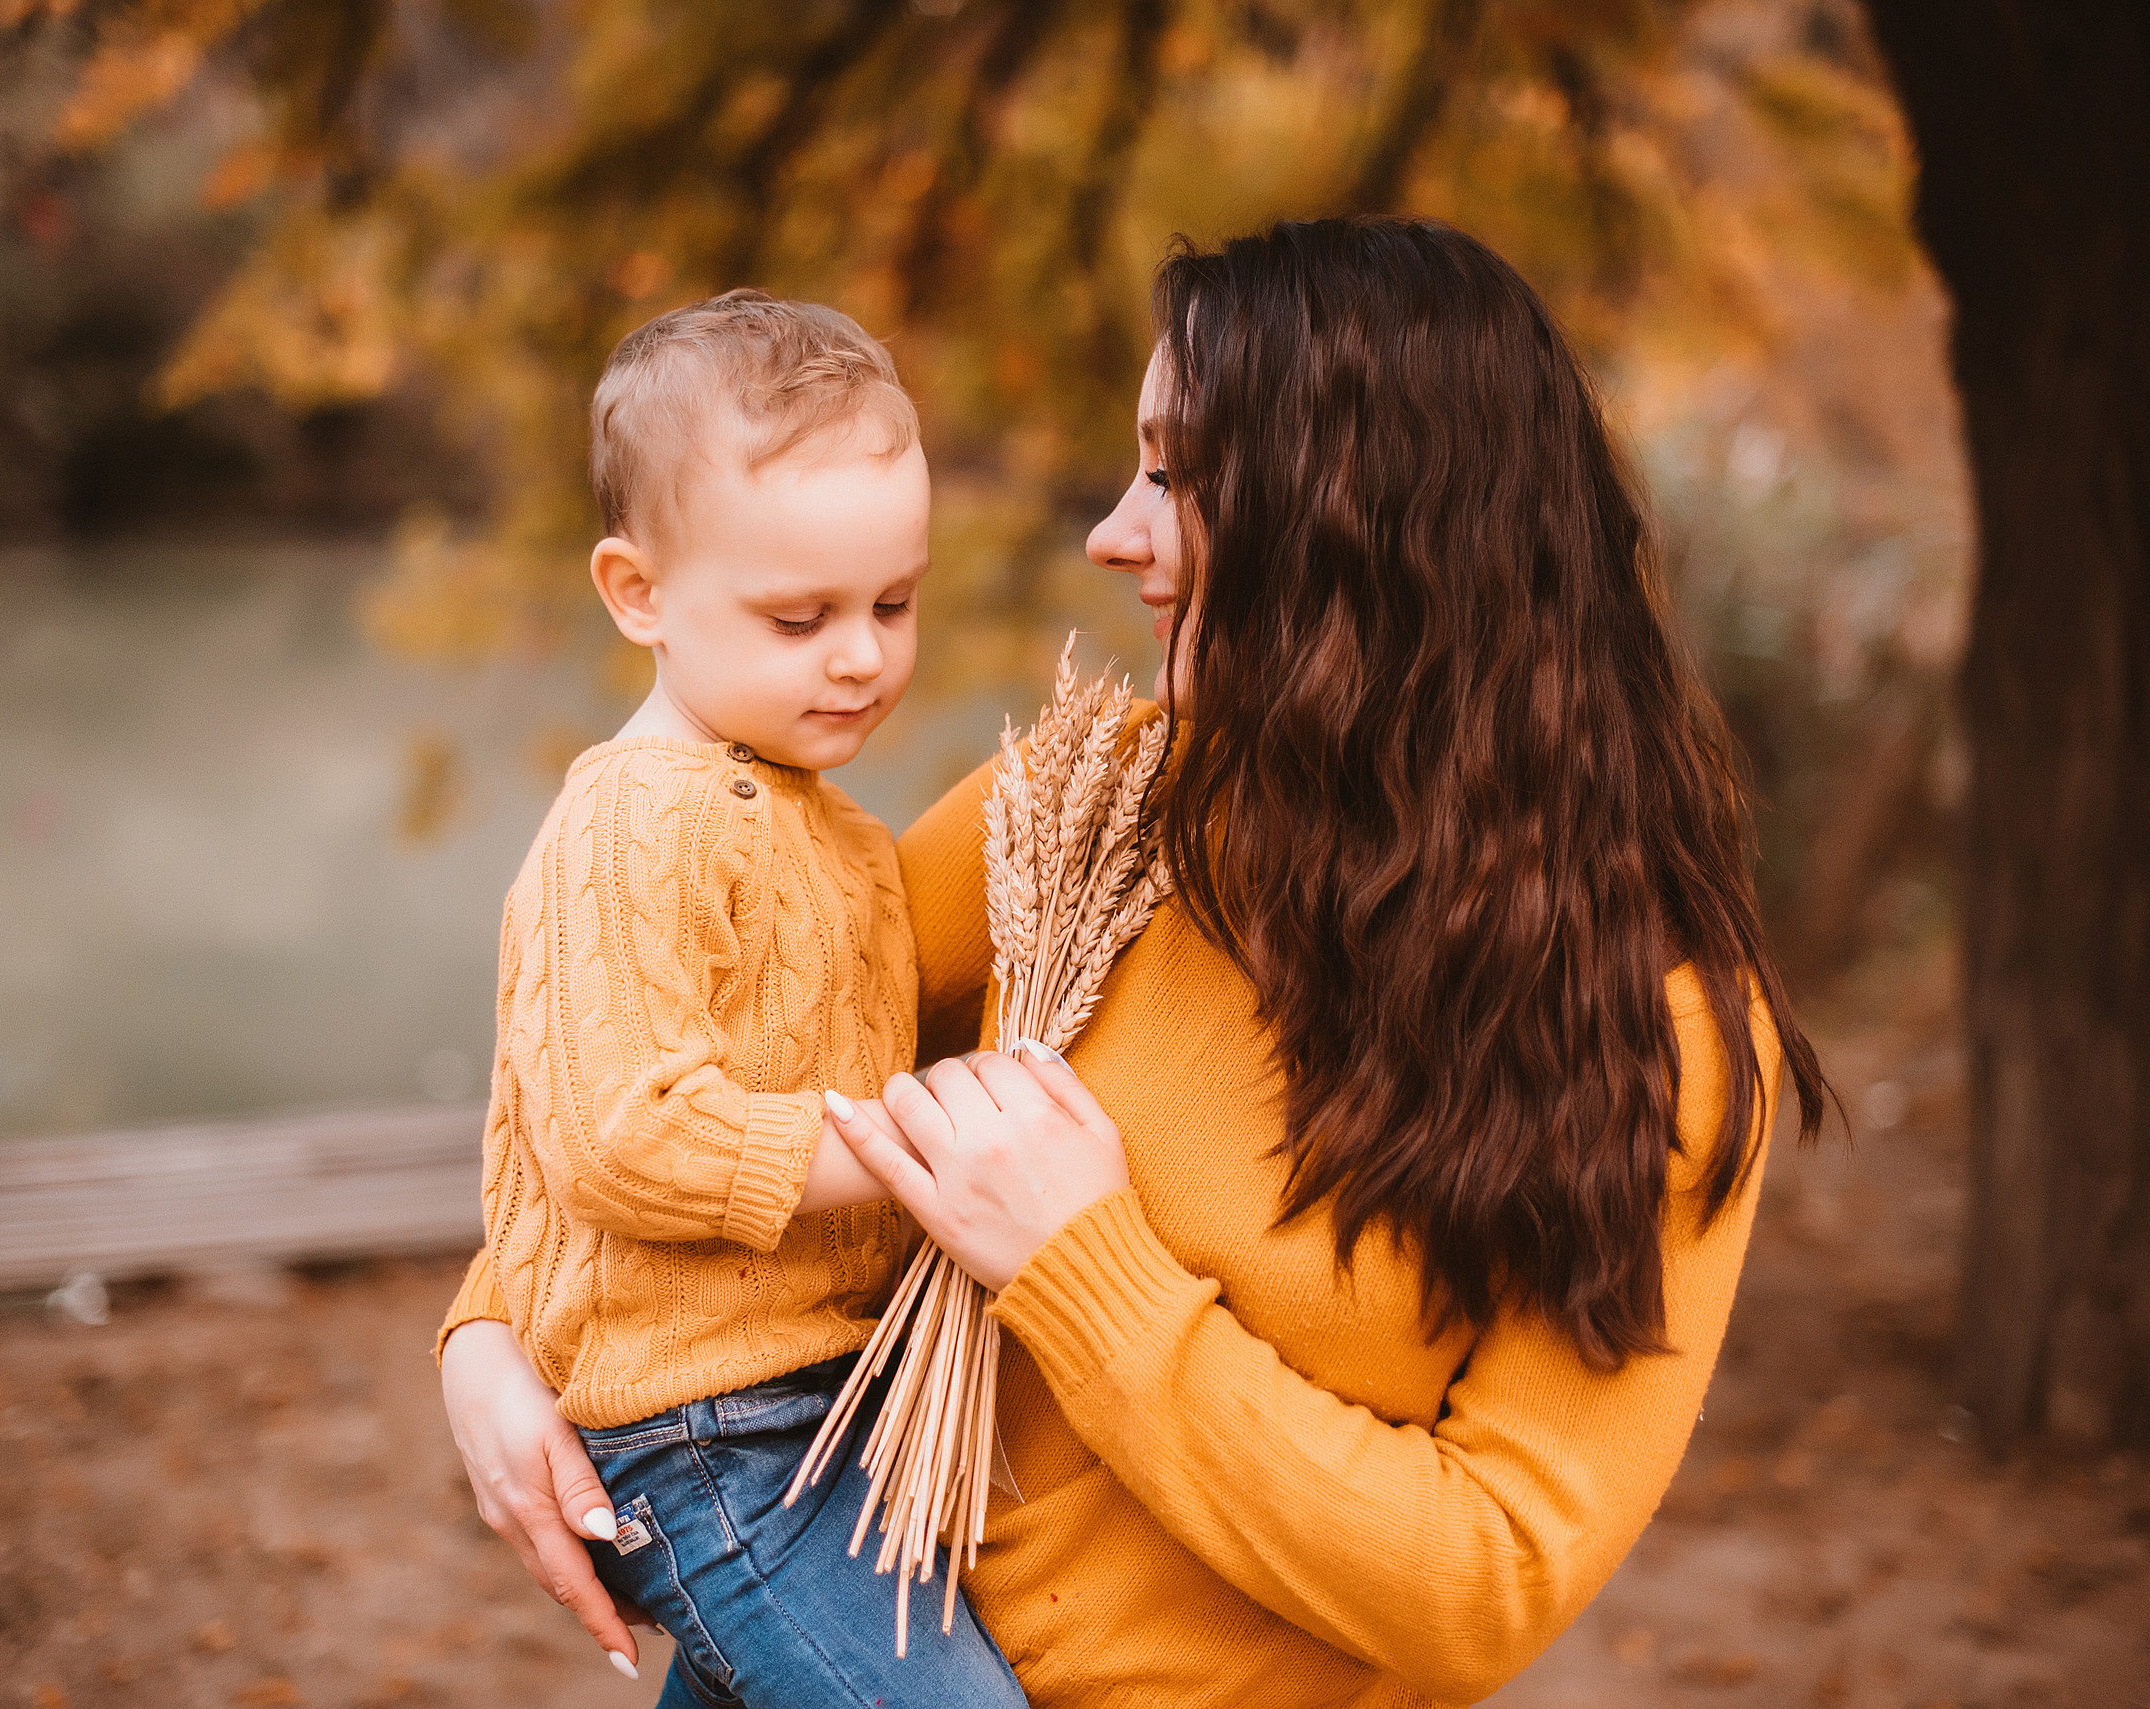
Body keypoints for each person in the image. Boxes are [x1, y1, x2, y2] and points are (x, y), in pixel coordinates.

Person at [441, 218, 1830, 1708]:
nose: (1112, 533)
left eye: (1173, 475)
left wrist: (1076, 1260)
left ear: (1356, 516)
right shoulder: (1092, 803)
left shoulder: (1656, 1026)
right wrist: (490, 1333)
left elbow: (1484, 1582)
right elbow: (712, 1054)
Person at [452, 287, 1029, 1708]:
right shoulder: (631, 826)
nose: (863, 654)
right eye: (800, 616)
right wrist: (906, 1144)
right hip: (702, 1433)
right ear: (638, 593)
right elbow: (618, 1137)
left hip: (819, 1406)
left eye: (894, 603)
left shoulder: (845, 839)